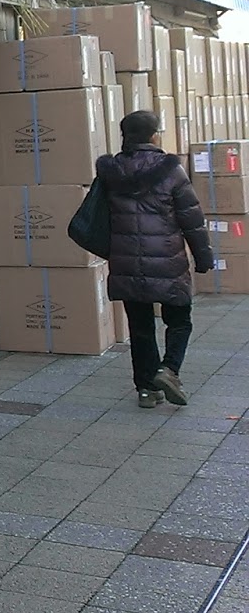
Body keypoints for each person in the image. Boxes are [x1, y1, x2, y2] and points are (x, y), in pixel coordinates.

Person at [96, 109, 213, 408]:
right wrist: (203, 257)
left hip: (126, 262)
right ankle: (169, 370)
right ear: (153, 136)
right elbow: (191, 219)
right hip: (168, 261)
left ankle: (147, 390)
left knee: (140, 328)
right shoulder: (171, 170)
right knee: (180, 320)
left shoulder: (111, 172)